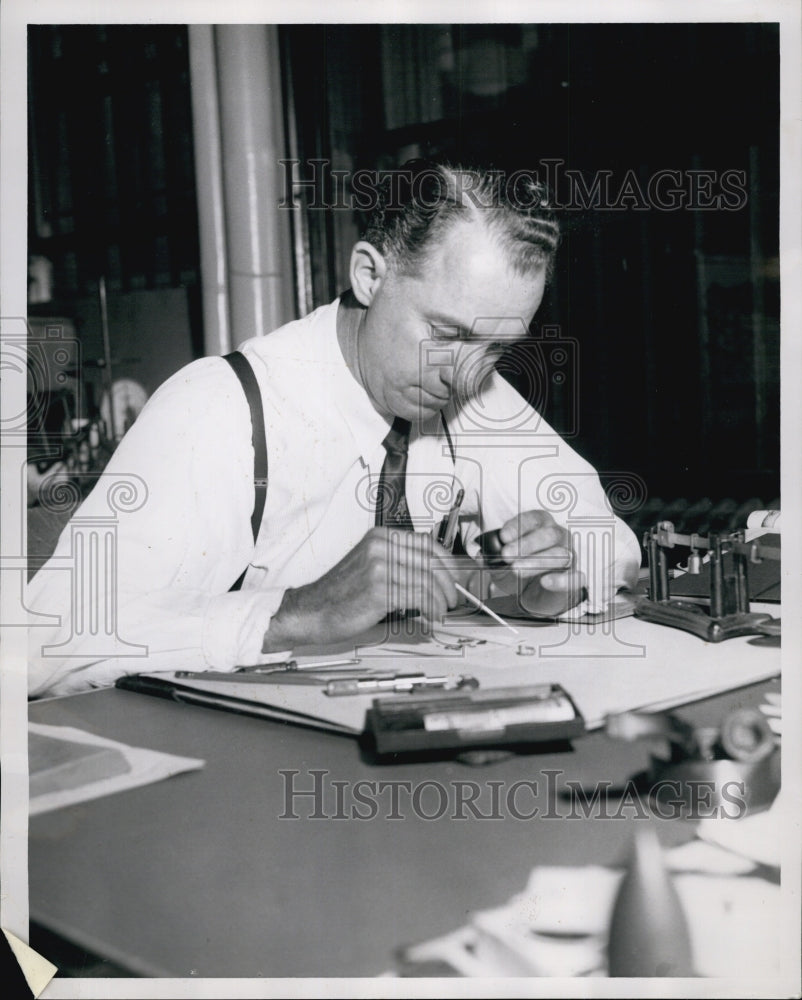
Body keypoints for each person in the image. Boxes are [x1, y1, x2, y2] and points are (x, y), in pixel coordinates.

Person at [27, 161, 641, 697]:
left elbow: (608, 537)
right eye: (447, 333)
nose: (463, 373)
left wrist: (560, 578)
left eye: (498, 347)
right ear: (369, 275)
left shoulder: (467, 384)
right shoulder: (222, 407)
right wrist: (295, 615)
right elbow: (45, 646)